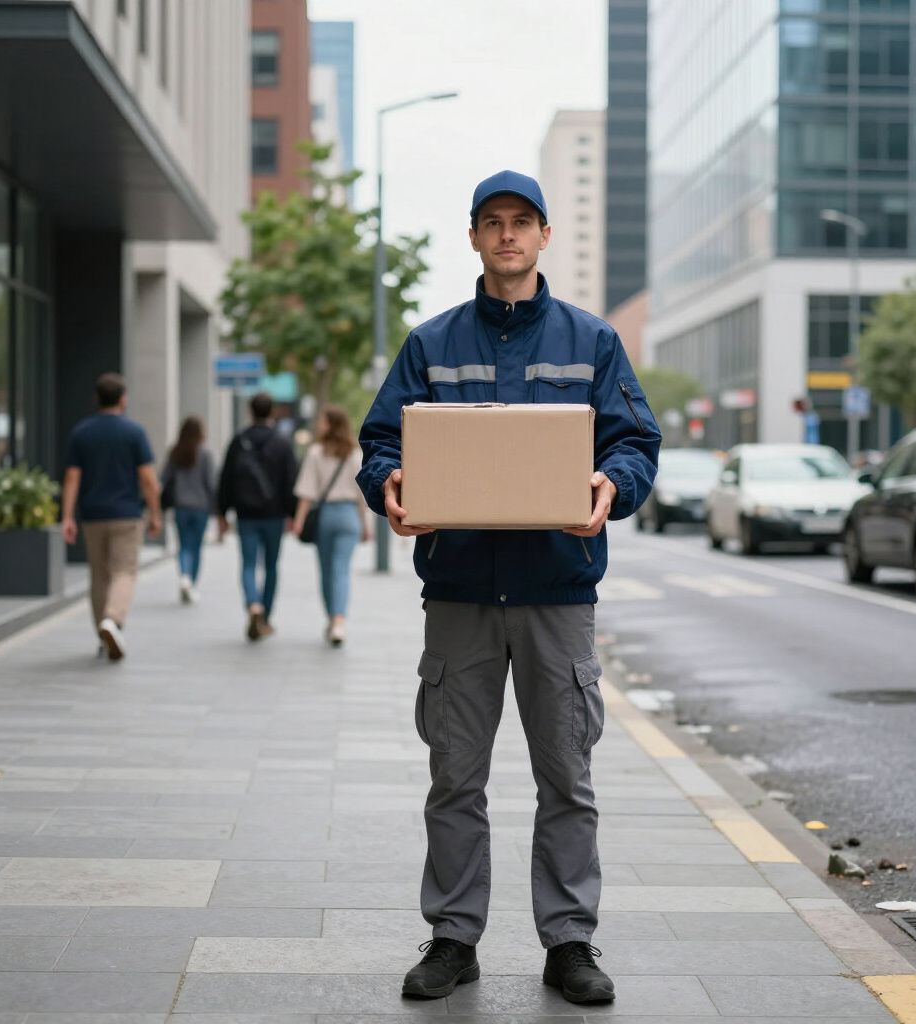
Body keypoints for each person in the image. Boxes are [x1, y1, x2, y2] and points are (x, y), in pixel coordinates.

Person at [356, 170, 661, 1004]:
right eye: (492, 223)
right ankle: (454, 936)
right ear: (473, 237)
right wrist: (387, 484)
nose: (507, 236)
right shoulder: (430, 343)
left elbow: (635, 440)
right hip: (457, 592)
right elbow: (382, 439)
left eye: (521, 222)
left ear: (545, 235)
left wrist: (612, 486)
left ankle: (569, 941)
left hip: (557, 593)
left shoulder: (591, 341)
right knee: (455, 775)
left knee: (567, 777)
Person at [61, 372, 162, 661]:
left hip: (92, 515)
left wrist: (67, 516)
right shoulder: (134, 432)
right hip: (127, 515)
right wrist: (155, 512)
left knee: (99, 576)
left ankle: (103, 636)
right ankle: (113, 620)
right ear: (123, 399)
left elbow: (71, 476)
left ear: (97, 399)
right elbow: (148, 478)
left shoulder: (82, 431)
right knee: (124, 571)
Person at [216, 392, 298, 641]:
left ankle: (253, 604)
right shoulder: (282, 443)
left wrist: (222, 512)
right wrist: (292, 513)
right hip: (274, 515)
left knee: (248, 564)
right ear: (272, 412)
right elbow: (290, 480)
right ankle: (265, 617)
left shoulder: (239, 440)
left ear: (250, 412)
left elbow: (226, 479)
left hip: (246, 514)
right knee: (271, 566)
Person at [292, 406, 372, 646]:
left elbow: (307, 492)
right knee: (341, 570)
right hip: (349, 517)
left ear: (331, 424)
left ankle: (334, 619)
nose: (318, 424)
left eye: (322, 421)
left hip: (327, 515)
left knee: (327, 571)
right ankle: (337, 620)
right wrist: (366, 525)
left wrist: (298, 521)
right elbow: (363, 495)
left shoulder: (316, 452)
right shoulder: (354, 454)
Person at [160, 416, 216, 604]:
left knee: (184, 545)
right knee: (197, 546)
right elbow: (211, 483)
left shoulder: (176, 452)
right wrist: (216, 507)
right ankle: (191, 582)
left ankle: (184, 575)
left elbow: (164, 478)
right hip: (200, 507)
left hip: (181, 506)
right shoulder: (206, 454)